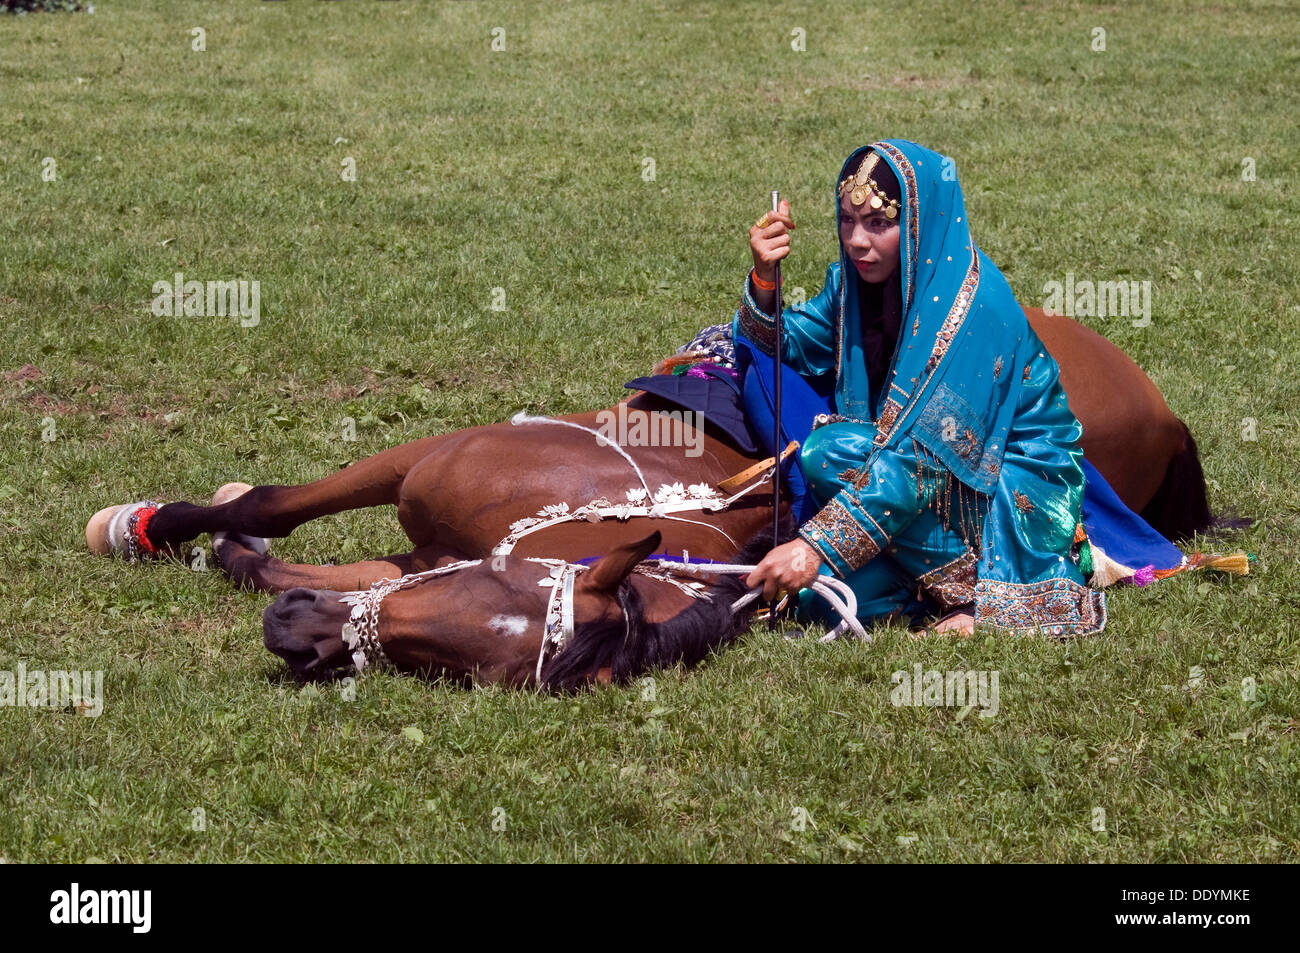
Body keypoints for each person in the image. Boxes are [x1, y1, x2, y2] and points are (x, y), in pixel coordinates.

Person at [737, 139, 1106, 637]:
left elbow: (921, 462)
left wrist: (814, 547)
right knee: (814, 605)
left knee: (827, 453)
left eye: (878, 223)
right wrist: (764, 275)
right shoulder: (853, 284)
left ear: (918, 221)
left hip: (1003, 479)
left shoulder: (975, 307)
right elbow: (791, 343)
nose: (857, 241)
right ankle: (921, 588)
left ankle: (984, 597)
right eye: (847, 220)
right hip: (911, 471)